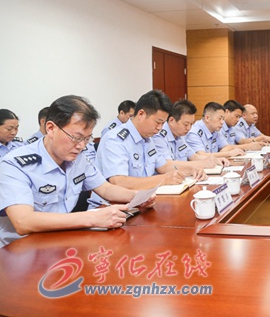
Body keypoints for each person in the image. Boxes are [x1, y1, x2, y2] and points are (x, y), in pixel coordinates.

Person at [0, 95, 155, 247]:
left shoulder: (77, 158)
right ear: (51, 128)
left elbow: (105, 189)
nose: (81, 146)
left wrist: (138, 197)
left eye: (87, 139)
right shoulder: (15, 164)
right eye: (76, 137)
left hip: (61, 241)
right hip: (22, 250)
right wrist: (92, 218)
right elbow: (23, 221)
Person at [96, 90, 199, 191]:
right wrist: (164, 179)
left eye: (163, 123)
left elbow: (164, 166)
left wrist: (191, 170)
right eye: (158, 122)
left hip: (144, 197)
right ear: (141, 114)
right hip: (114, 201)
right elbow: (119, 182)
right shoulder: (115, 139)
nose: (160, 128)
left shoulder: (148, 138)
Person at [153, 99, 224, 171]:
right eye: (186, 124)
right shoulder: (159, 137)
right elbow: (167, 165)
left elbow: (194, 156)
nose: (189, 128)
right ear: (172, 121)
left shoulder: (180, 135)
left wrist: (214, 160)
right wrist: (202, 164)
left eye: (191, 124)